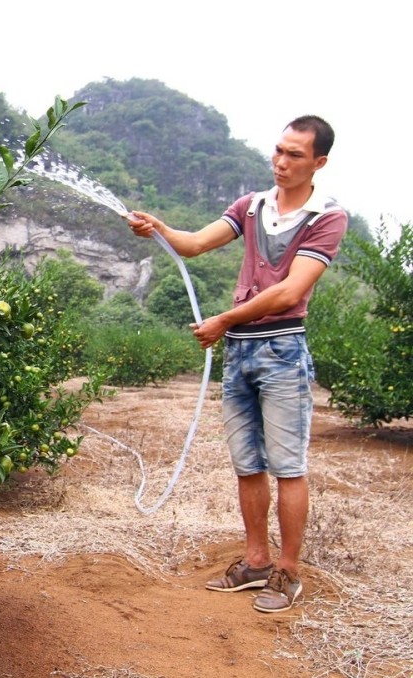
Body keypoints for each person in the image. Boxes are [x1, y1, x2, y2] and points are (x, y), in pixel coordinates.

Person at [127, 115, 348, 613]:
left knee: (288, 467)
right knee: (247, 464)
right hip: (240, 352)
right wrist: (158, 228)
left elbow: (291, 290)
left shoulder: (327, 216)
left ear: (319, 162)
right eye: (278, 150)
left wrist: (224, 319)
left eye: (294, 154)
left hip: (282, 349)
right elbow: (197, 243)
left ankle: (288, 573)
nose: (281, 162)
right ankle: (255, 562)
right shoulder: (252, 206)